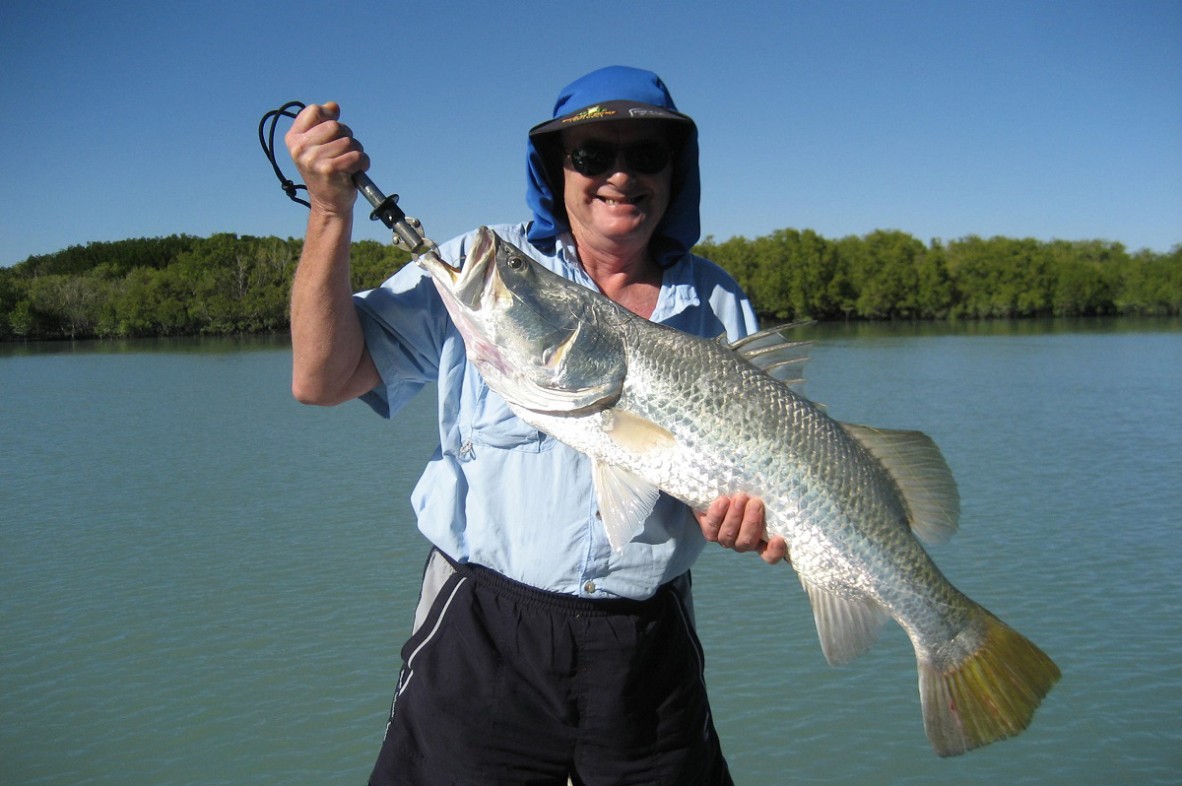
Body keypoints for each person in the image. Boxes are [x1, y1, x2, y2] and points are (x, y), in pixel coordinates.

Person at [286, 65, 787, 785]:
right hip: (482, 631)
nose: (619, 174)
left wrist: (749, 520)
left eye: (646, 154)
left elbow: (748, 488)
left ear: (678, 171)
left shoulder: (721, 305)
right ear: (556, 170)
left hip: (647, 646)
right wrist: (330, 211)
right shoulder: (482, 268)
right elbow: (321, 379)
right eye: (590, 156)